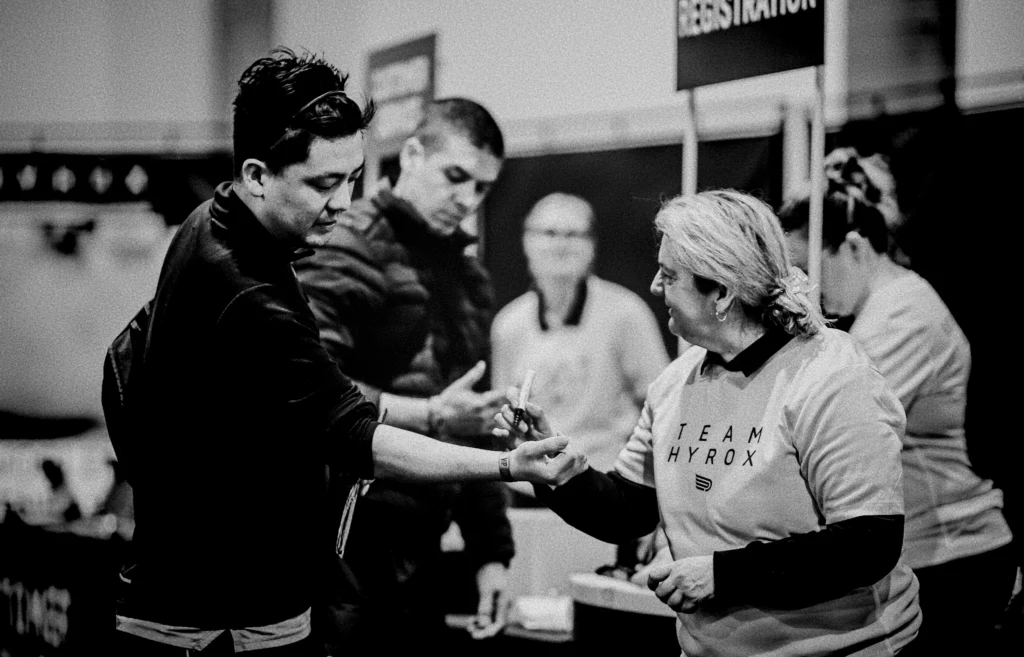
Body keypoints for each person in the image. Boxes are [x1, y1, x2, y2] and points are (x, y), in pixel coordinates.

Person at [105, 49, 585, 656]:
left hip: (273, 594)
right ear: (257, 175)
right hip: (232, 617)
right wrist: (505, 462)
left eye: (352, 177)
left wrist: (491, 550)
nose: (341, 201)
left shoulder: (212, 220)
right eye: (324, 183)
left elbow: (120, 361)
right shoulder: (264, 281)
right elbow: (347, 426)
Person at [496, 189, 922, 656]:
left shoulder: (830, 375)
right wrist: (554, 470)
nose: (656, 287)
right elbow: (630, 507)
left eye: (669, 275)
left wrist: (722, 575)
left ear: (721, 291)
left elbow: (868, 542)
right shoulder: (676, 384)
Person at [293, 97, 517, 652]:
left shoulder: (468, 276)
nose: (466, 200)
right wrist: (434, 414)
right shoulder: (346, 244)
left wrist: (492, 555)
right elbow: (311, 394)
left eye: (482, 188)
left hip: (425, 543)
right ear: (413, 154)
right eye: (456, 177)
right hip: (341, 538)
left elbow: (476, 420)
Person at [779, 150, 1016, 656]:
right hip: (923, 555)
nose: (806, 291)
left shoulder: (904, 313)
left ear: (855, 247)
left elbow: (835, 425)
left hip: (954, 555)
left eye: (807, 269)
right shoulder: (875, 313)